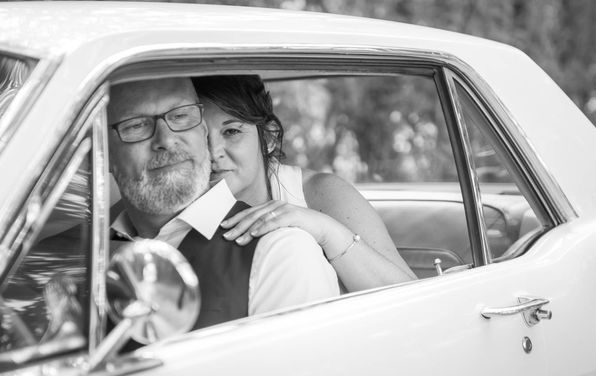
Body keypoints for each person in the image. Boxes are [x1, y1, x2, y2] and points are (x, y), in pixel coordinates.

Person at [107, 77, 339, 330]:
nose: (166, 139)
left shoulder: (281, 252)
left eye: (180, 116)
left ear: (202, 133)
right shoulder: (88, 248)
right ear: (101, 153)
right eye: (136, 125)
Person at [193, 75, 417, 293]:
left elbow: (412, 299)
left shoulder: (320, 193)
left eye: (231, 131)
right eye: (200, 136)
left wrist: (325, 231)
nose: (213, 152)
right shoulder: (177, 210)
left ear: (268, 138)